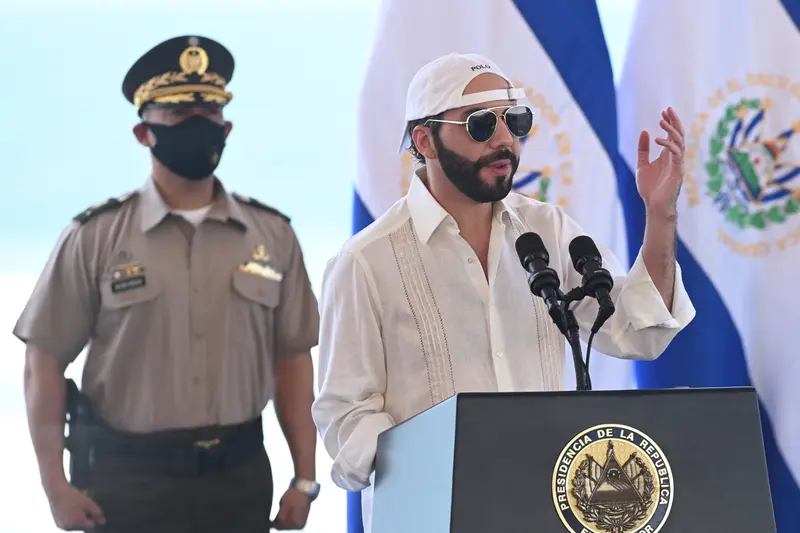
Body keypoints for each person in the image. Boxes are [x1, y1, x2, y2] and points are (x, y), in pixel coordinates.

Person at [311, 52, 697, 532]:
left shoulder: (549, 232)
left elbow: (642, 330)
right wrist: (441, 463)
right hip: (432, 518)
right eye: (479, 125)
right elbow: (345, 419)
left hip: (547, 512)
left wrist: (661, 214)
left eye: (515, 121)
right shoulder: (365, 262)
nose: (504, 140)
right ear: (424, 140)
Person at [14, 35, 321, 533]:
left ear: (227, 127)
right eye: (179, 114)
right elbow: (43, 359)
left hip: (237, 478)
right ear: (143, 132)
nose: (198, 126)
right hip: (126, 483)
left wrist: (304, 477)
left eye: (209, 113)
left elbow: (293, 360)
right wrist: (54, 486)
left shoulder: (273, 236)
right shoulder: (94, 237)